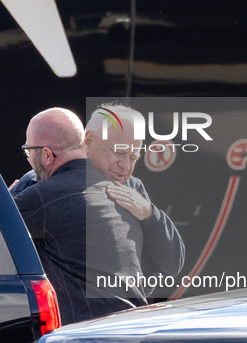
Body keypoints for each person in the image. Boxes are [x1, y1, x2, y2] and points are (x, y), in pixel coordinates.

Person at [12, 108, 157, 325]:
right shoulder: (124, 190)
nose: (30, 160)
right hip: (136, 326)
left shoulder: (41, 197)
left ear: (46, 155)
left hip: (91, 335)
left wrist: (9, 197)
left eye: (29, 151)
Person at [84, 104, 185, 292]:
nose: (125, 166)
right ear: (88, 140)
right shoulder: (48, 180)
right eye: (119, 152)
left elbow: (172, 265)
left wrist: (149, 214)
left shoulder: (132, 187)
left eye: (133, 158)